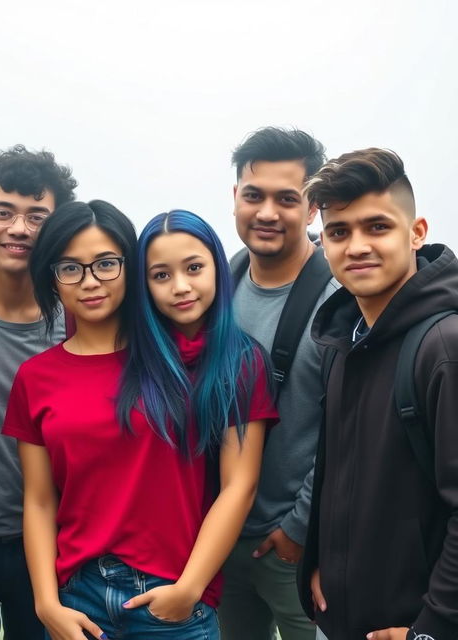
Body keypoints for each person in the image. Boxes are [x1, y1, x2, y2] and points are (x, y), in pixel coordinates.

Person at [3, 202, 277, 639]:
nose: (90, 281)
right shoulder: (35, 379)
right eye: (70, 268)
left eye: (106, 264)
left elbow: (238, 486)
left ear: (131, 268)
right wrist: (46, 603)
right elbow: (38, 500)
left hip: (170, 596)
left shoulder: (189, 360)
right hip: (79, 597)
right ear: (51, 278)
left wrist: (188, 589)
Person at [298, 149, 458, 640]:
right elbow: (341, 471)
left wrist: (430, 628)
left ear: (417, 232)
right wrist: (323, 560)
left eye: (378, 227)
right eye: (339, 232)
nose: (357, 246)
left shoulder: (443, 347)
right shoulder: (344, 341)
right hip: (345, 617)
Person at [219, 127, 336, 640]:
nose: (267, 212)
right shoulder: (221, 282)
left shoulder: (339, 299)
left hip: (295, 548)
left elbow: (350, 427)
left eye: (287, 198)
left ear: (312, 209)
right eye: (254, 195)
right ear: (236, 198)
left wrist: (297, 529)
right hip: (222, 539)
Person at [0, 145, 77, 640]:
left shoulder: (79, 318)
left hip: (59, 543)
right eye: (3, 213)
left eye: (37, 216)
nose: (20, 229)